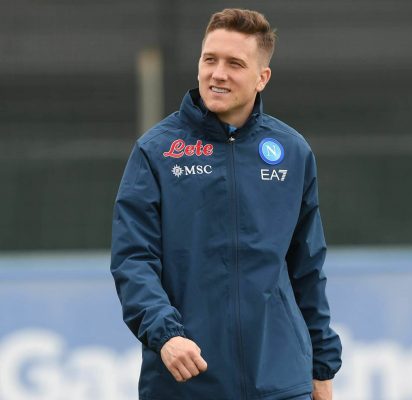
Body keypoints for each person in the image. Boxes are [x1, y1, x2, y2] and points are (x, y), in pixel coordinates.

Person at [110, 8, 342, 400]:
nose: (218, 74)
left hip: (280, 383)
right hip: (185, 381)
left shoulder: (292, 152)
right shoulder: (157, 151)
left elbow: (307, 267)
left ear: (262, 77)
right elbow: (133, 259)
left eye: (234, 64)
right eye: (209, 60)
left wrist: (321, 364)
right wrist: (166, 334)